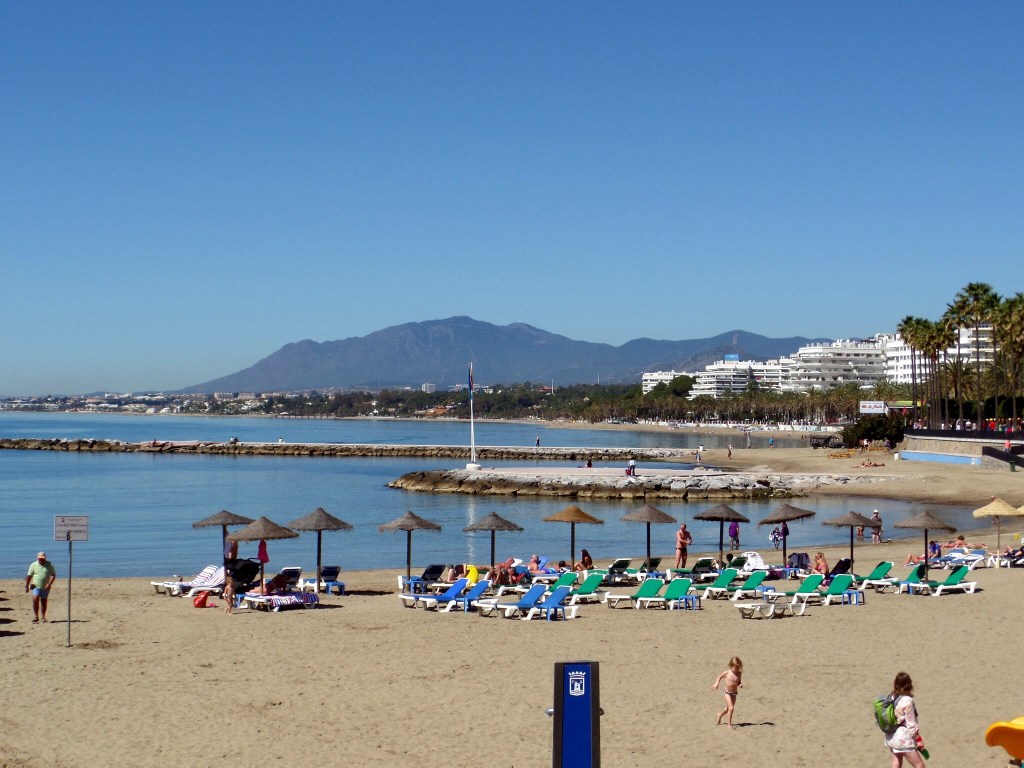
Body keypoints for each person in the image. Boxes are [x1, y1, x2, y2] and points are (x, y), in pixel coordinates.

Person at [883, 671, 926, 767]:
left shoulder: (891, 697)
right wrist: (918, 740)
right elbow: (911, 724)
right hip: (903, 738)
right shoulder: (907, 700)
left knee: (896, 763)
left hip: (891, 736)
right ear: (909, 684)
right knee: (919, 765)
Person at [25, 551, 56, 624]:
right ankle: (36, 617)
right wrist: (26, 586)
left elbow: (53, 575)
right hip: (35, 585)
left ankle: (43, 617)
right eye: (40, 558)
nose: (41, 559)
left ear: (45, 558)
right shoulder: (33, 565)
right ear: (37, 558)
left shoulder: (49, 564)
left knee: (44, 601)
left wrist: (49, 584)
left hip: (45, 587)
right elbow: (29, 576)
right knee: (35, 599)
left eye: (42, 558)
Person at [712, 656, 743, 728]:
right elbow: (719, 677)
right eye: (735, 668)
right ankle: (729, 725)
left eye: (738, 668)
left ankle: (720, 715)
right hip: (727, 693)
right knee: (731, 708)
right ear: (731, 666)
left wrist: (740, 684)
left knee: (728, 709)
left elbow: (738, 682)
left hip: (734, 693)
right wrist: (716, 683)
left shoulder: (739, 673)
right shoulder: (727, 672)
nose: (737, 669)